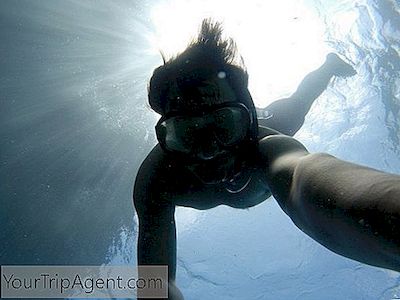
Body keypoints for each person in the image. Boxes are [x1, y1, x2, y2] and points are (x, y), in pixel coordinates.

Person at [133, 19, 399, 300]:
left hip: (272, 119)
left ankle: (328, 66)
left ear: (246, 120)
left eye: (223, 125)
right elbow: (156, 286)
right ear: (166, 135)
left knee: (298, 103)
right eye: (187, 134)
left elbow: (302, 176)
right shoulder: (157, 181)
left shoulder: (268, 148)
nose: (209, 151)